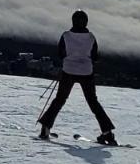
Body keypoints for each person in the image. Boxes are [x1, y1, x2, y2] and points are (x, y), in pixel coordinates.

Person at [38, 10, 118, 145]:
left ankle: (45, 128)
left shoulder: (66, 36)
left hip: (68, 70)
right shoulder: (91, 37)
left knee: (59, 100)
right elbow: (94, 56)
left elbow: (60, 53)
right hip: (86, 72)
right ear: (86, 22)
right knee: (93, 102)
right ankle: (107, 133)